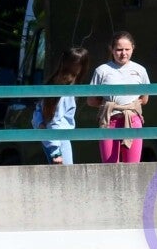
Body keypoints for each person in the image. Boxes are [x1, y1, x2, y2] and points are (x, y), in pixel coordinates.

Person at [89, 32, 149, 164]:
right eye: (119, 49)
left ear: (133, 48)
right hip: (109, 120)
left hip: (132, 120)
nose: (123, 53)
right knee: (110, 166)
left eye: (127, 49)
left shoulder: (140, 70)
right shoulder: (101, 70)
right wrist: (109, 105)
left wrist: (129, 106)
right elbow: (91, 100)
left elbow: (144, 99)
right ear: (111, 49)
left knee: (132, 167)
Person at [35, 46, 91, 165]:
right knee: (67, 175)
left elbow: (39, 110)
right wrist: (56, 151)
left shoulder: (53, 81)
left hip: (50, 139)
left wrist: (40, 125)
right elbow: (55, 120)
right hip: (58, 140)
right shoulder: (66, 89)